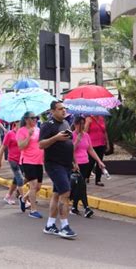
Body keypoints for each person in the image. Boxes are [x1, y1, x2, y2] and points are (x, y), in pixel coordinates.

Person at [39, 100, 78, 238]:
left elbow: (69, 142)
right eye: (60, 108)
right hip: (54, 164)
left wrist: (74, 161)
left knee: (57, 194)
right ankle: (64, 226)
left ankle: (50, 225)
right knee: (65, 193)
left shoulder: (66, 123)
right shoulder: (47, 125)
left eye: (64, 108)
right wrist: (55, 138)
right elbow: (41, 145)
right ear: (53, 111)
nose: (63, 110)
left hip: (66, 164)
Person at [72, 116, 105, 217]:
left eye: (83, 124)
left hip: (85, 162)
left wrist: (99, 161)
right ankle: (86, 207)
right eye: (80, 124)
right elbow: (70, 151)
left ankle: (74, 207)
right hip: (76, 164)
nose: (82, 126)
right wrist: (77, 141)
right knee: (82, 186)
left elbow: (90, 149)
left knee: (80, 187)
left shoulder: (86, 135)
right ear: (76, 124)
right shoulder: (71, 135)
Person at [16, 111, 44, 218]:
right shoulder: (21, 131)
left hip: (39, 161)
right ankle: (33, 210)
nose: (35, 120)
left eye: (36, 117)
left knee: (38, 187)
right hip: (28, 160)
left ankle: (23, 199)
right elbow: (21, 146)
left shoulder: (38, 129)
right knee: (33, 185)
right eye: (33, 118)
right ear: (27, 119)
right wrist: (29, 136)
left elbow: (40, 144)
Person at [0, 121, 24, 205]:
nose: (21, 124)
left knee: (16, 180)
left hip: (22, 160)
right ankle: (24, 200)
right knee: (20, 179)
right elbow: (3, 148)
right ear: (15, 123)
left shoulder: (24, 133)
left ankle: (8, 196)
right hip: (13, 160)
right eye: (19, 122)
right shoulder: (10, 134)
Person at [84, 115, 110, 186]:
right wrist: (88, 123)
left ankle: (98, 180)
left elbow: (105, 132)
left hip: (101, 143)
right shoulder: (89, 119)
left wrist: (107, 143)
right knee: (91, 162)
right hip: (92, 144)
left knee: (100, 161)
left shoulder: (102, 118)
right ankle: (86, 176)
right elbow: (85, 132)